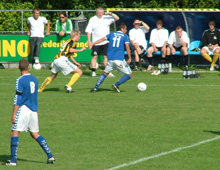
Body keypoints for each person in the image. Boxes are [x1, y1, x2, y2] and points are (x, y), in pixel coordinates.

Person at [4, 59, 55, 166]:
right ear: (29, 67)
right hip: (33, 110)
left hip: (23, 109)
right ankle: (50, 155)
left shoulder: (20, 80)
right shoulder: (35, 79)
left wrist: (14, 114)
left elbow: (17, 98)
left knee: (14, 132)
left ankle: (13, 160)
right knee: (34, 133)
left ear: (19, 68)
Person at [90, 23, 132, 93]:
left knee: (105, 73)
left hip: (110, 59)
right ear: (122, 29)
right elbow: (127, 46)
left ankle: (95, 88)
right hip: (119, 59)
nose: (126, 30)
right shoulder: (125, 36)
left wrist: (93, 43)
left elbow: (102, 39)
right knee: (129, 75)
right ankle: (116, 85)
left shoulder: (111, 34)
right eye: (125, 29)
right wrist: (129, 57)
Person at [85, 7, 119, 77]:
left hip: (105, 41)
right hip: (96, 42)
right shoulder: (92, 19)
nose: (100, 14)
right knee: (94, 56)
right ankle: (93, 72)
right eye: (99, 12)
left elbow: (117, 18)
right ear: (96, 13)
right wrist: (89, 41)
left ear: (103, 12)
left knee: (106, 56)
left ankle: (107, 72)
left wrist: (110, 13)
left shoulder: (107, 18)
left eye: (101, 12)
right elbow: (88, 31)